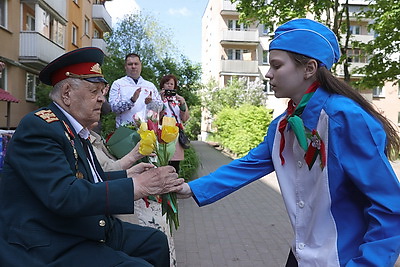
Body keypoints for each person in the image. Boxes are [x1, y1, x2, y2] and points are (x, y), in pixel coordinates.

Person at [177, 18, 400, 267]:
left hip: (343, 259)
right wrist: (189, 189)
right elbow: (248, 165)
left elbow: (390, 208)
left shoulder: (345, 118)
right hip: (300, 255)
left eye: (276, 65)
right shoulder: (282, 125)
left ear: (309, 68)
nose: (268, 73)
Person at [0, 47, 184, 266]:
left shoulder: (74, 128)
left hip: (75, 225)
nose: (101, 100)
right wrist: (137, 186)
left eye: (102, 92)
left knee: (156, 241)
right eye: (94, 91)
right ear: (67, 93)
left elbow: (86, 180)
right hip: (48, 239)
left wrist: (128, 176)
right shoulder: (40, 127)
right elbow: (64, 194)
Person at [109, 53, 163, 127]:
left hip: (147, 132)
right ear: (125, 67)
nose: (133, 66)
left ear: (140, 65)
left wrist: (151, 103)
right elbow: (113, 107)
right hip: (125, 132)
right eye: (130, 64)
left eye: (136, 64)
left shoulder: (150, 86)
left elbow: (160, 107)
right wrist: (132, 101)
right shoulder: (118, 84)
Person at [159, 74, 190, 174]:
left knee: (175, 165)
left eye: (172, 84)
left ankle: (174, 186)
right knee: (163, 162)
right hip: (162, 134)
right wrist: (160, 101)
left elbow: (185, 118)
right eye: (167, 83)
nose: (169, 86)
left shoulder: (179, 100)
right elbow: (153, 117)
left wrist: (183, 105)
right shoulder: (158, 99)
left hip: (175, 134)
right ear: (162, 85)